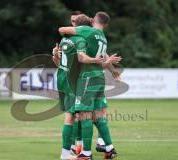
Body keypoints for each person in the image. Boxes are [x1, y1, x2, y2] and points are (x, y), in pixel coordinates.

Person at [59, 12, 121, 159]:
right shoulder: (103, 37)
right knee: (99, 114)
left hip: (87, 78)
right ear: (105, 24)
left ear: (94, 20)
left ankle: (85, 153)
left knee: (84, 115)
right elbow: (104, 57)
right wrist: (113, 71)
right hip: (99, 78)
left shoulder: (87, 31)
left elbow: (62, 30)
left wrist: (73, 30)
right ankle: (109, 147)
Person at [53, 14, 103, 160]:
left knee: (74, 116)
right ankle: (68, 153)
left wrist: (55, 56)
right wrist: (96, 60)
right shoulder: (80, 40)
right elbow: (81, 58)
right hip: (72, 81)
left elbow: (59, 61)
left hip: (62, 78)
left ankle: (74, 149)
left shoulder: (64, 39)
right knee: (74, 116)